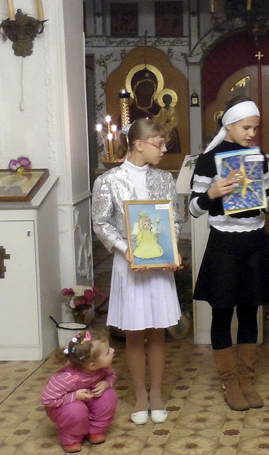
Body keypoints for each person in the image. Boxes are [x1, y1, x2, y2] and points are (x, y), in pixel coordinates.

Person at [189, 96, 269, 411]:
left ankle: (246, 381)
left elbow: (265, 201)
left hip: (254, 243)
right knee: (223, 313)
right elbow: (194, 208)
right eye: (246, 127)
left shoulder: (257, 157)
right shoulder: (208, 160)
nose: (252, 133)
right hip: (224, 246)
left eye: (255, 127)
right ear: (229, 125)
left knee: (250, 312)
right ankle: (230, 383)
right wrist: (212, 193)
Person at [91, 118, 182, 426]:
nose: (164, 149)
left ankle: (156, 394)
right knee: (134, 331)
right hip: (128, 263)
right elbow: (101, 223)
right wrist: (125, 248)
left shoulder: (165, 179)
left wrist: (172, 249)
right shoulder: (109, 181)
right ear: (139, 144)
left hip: (159, 264)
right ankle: (140, 396)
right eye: (160, 143)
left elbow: (174, 218)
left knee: (157, 330)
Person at [41, 330, 118, 453]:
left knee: (109, 396)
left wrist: (106, 383)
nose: (113, 350)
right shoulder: (66, 378)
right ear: (92, 365)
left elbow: (111, 375)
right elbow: (47, 399)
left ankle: (95, 430)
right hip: (63, 405)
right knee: (76, 410)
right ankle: (71, 438)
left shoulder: (103, 368)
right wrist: (74, 396)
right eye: (108, 352)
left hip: (88, 399)